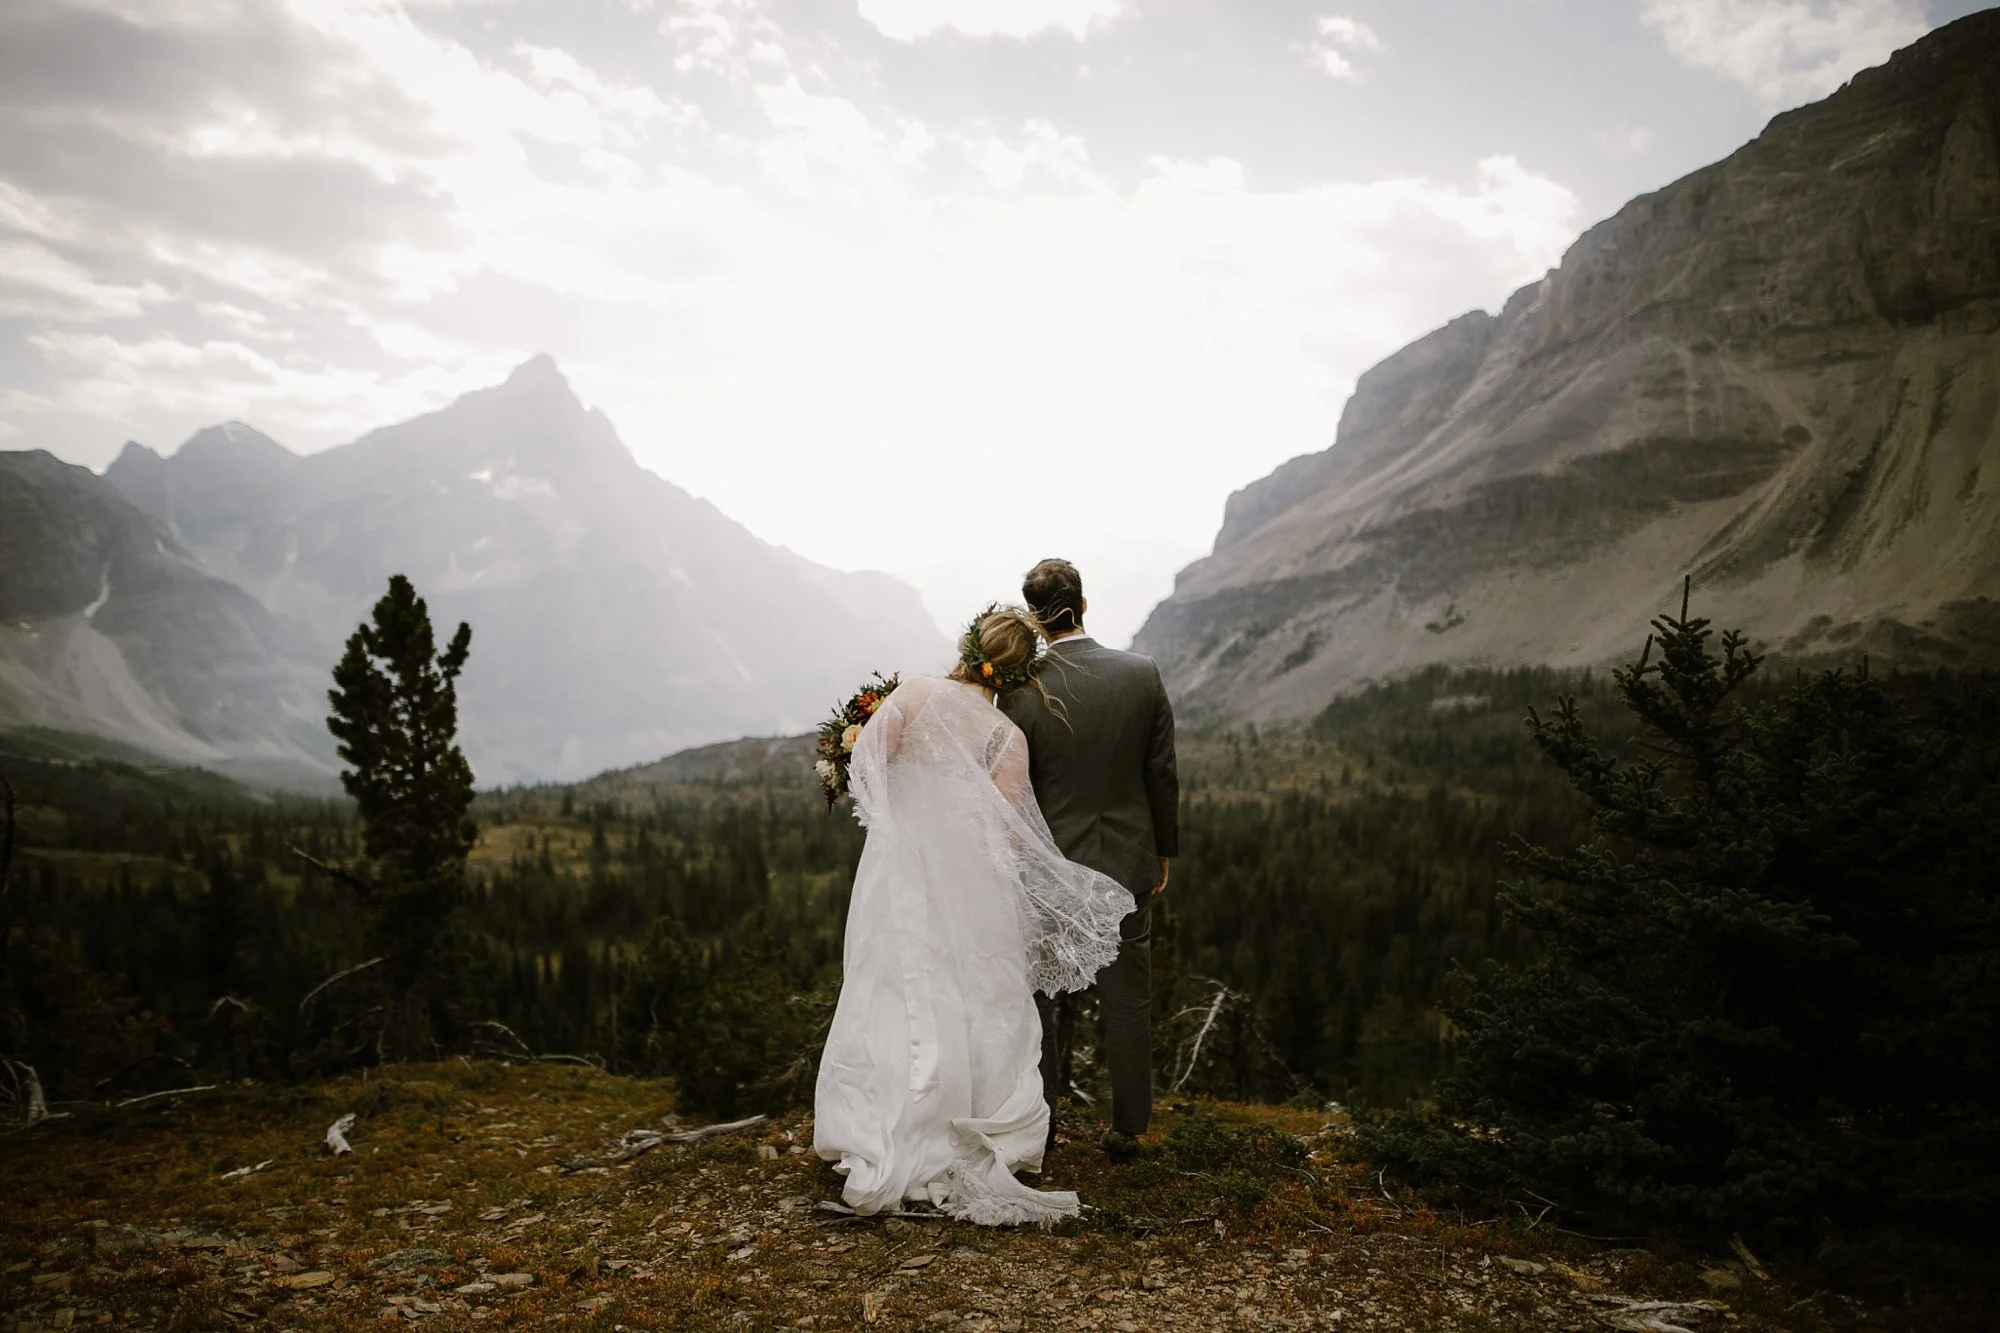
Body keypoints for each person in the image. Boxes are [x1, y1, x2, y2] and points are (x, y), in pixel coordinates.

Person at [813, 606, 1131, 1225]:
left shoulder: (915, 694)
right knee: (967, 992)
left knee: (890, 984)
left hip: (899, 871)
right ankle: (960, 1118)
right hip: (968, 884)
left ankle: (883, 1119)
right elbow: (1007, 837)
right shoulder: (1005, 737)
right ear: (1017, 676)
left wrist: (894, 827)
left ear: (968, 646)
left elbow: (866, 766)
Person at [1000, 558, 1178, 1164]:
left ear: (1037, 617)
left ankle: (1040, 1126)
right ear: (1084, 604)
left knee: (1042, 997)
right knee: (1128, 995)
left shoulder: (1021, 691)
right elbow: (1160, 774)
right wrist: (1162, 851)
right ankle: (1128, 1128)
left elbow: (1014, 788)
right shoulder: (1142, 674)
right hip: (1128, 861)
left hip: (1050, 868)